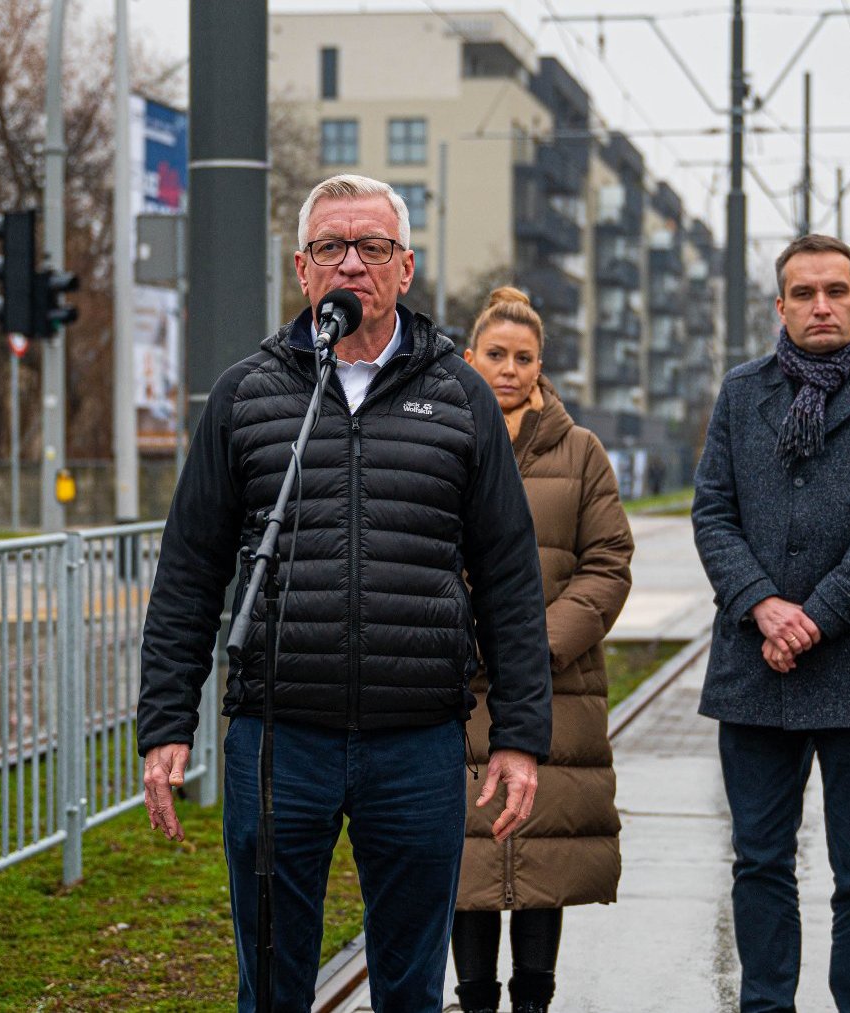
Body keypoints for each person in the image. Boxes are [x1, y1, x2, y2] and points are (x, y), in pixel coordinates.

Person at [135, 174, 552, 1013]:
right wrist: (165, 722)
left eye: (372, 247)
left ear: (405, 267)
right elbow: (189, 570)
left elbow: (509, 574)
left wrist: (520, 734)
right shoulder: (246, 396)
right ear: (302, 269)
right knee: (274, 984)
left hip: (417, 742)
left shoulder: (462, 395)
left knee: (409, 985)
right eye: (331, 247)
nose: (351, 264)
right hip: (279, 739)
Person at [692, 234, 850, 1013]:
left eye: (836, 290)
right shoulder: (741, 391)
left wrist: (813, 618)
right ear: (781, 306)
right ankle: (767, 1006)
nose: (820, 305)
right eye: (804, 293)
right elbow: (713, 511)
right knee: (759, 860)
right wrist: (761, 604)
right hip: (754, 667)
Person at [450, 287, 635, 1013]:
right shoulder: (443, 437)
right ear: (470, 358)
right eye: (495, 355)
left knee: (546, 847)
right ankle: (473, 1000)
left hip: (557, 682)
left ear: (541, 365)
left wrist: (536, 645)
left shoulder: (581, 451)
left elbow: (608, 563)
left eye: (524, 358)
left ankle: (534, 1000)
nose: (509, 369)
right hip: (459, 683)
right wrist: (457, 640)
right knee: (467, 853)